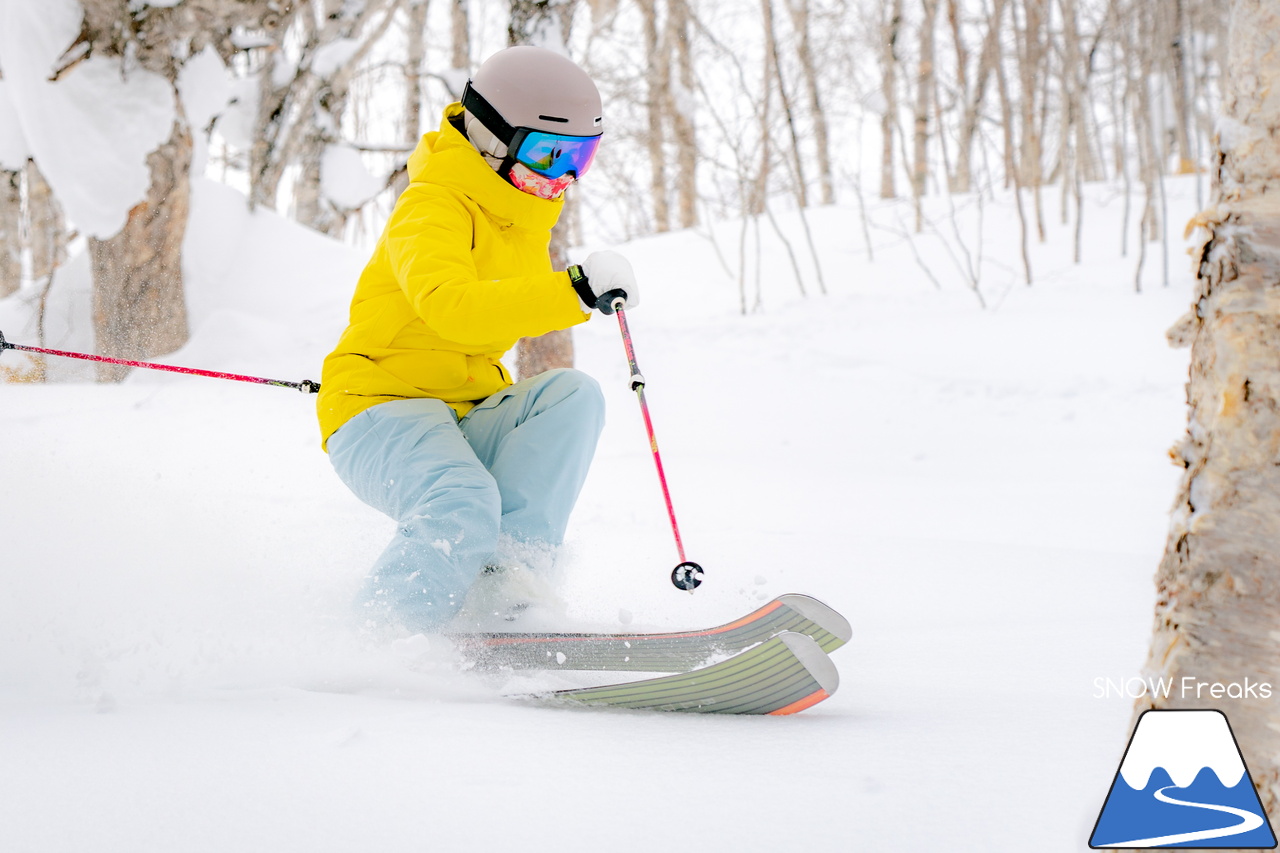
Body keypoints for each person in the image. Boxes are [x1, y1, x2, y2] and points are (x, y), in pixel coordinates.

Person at [317, 46, 637, 633]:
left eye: (580, 158)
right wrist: (572, 291)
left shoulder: (518, 220)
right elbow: (452, 310)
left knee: (573, 395)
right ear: (493, 139)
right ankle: (379, 640)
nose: (564, 176)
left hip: (465, 412)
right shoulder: (430, 207)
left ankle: (505, 593)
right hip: (377, 410)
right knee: (461, 502)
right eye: (550, 153)